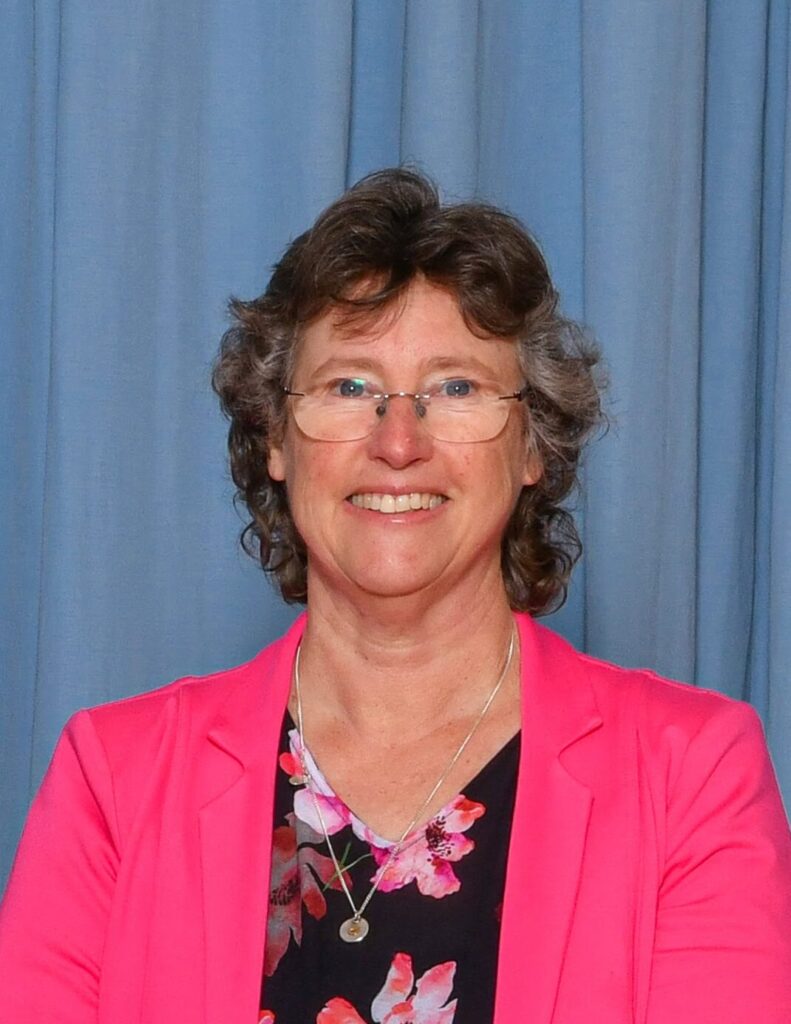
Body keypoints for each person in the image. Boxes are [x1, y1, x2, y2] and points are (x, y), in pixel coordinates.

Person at [0, 169, 789, 1024]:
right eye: (349, 387)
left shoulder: (691, 776)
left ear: (533, 445)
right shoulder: (114, 778)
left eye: (455, 387)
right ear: (275, 438)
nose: (398, 441)